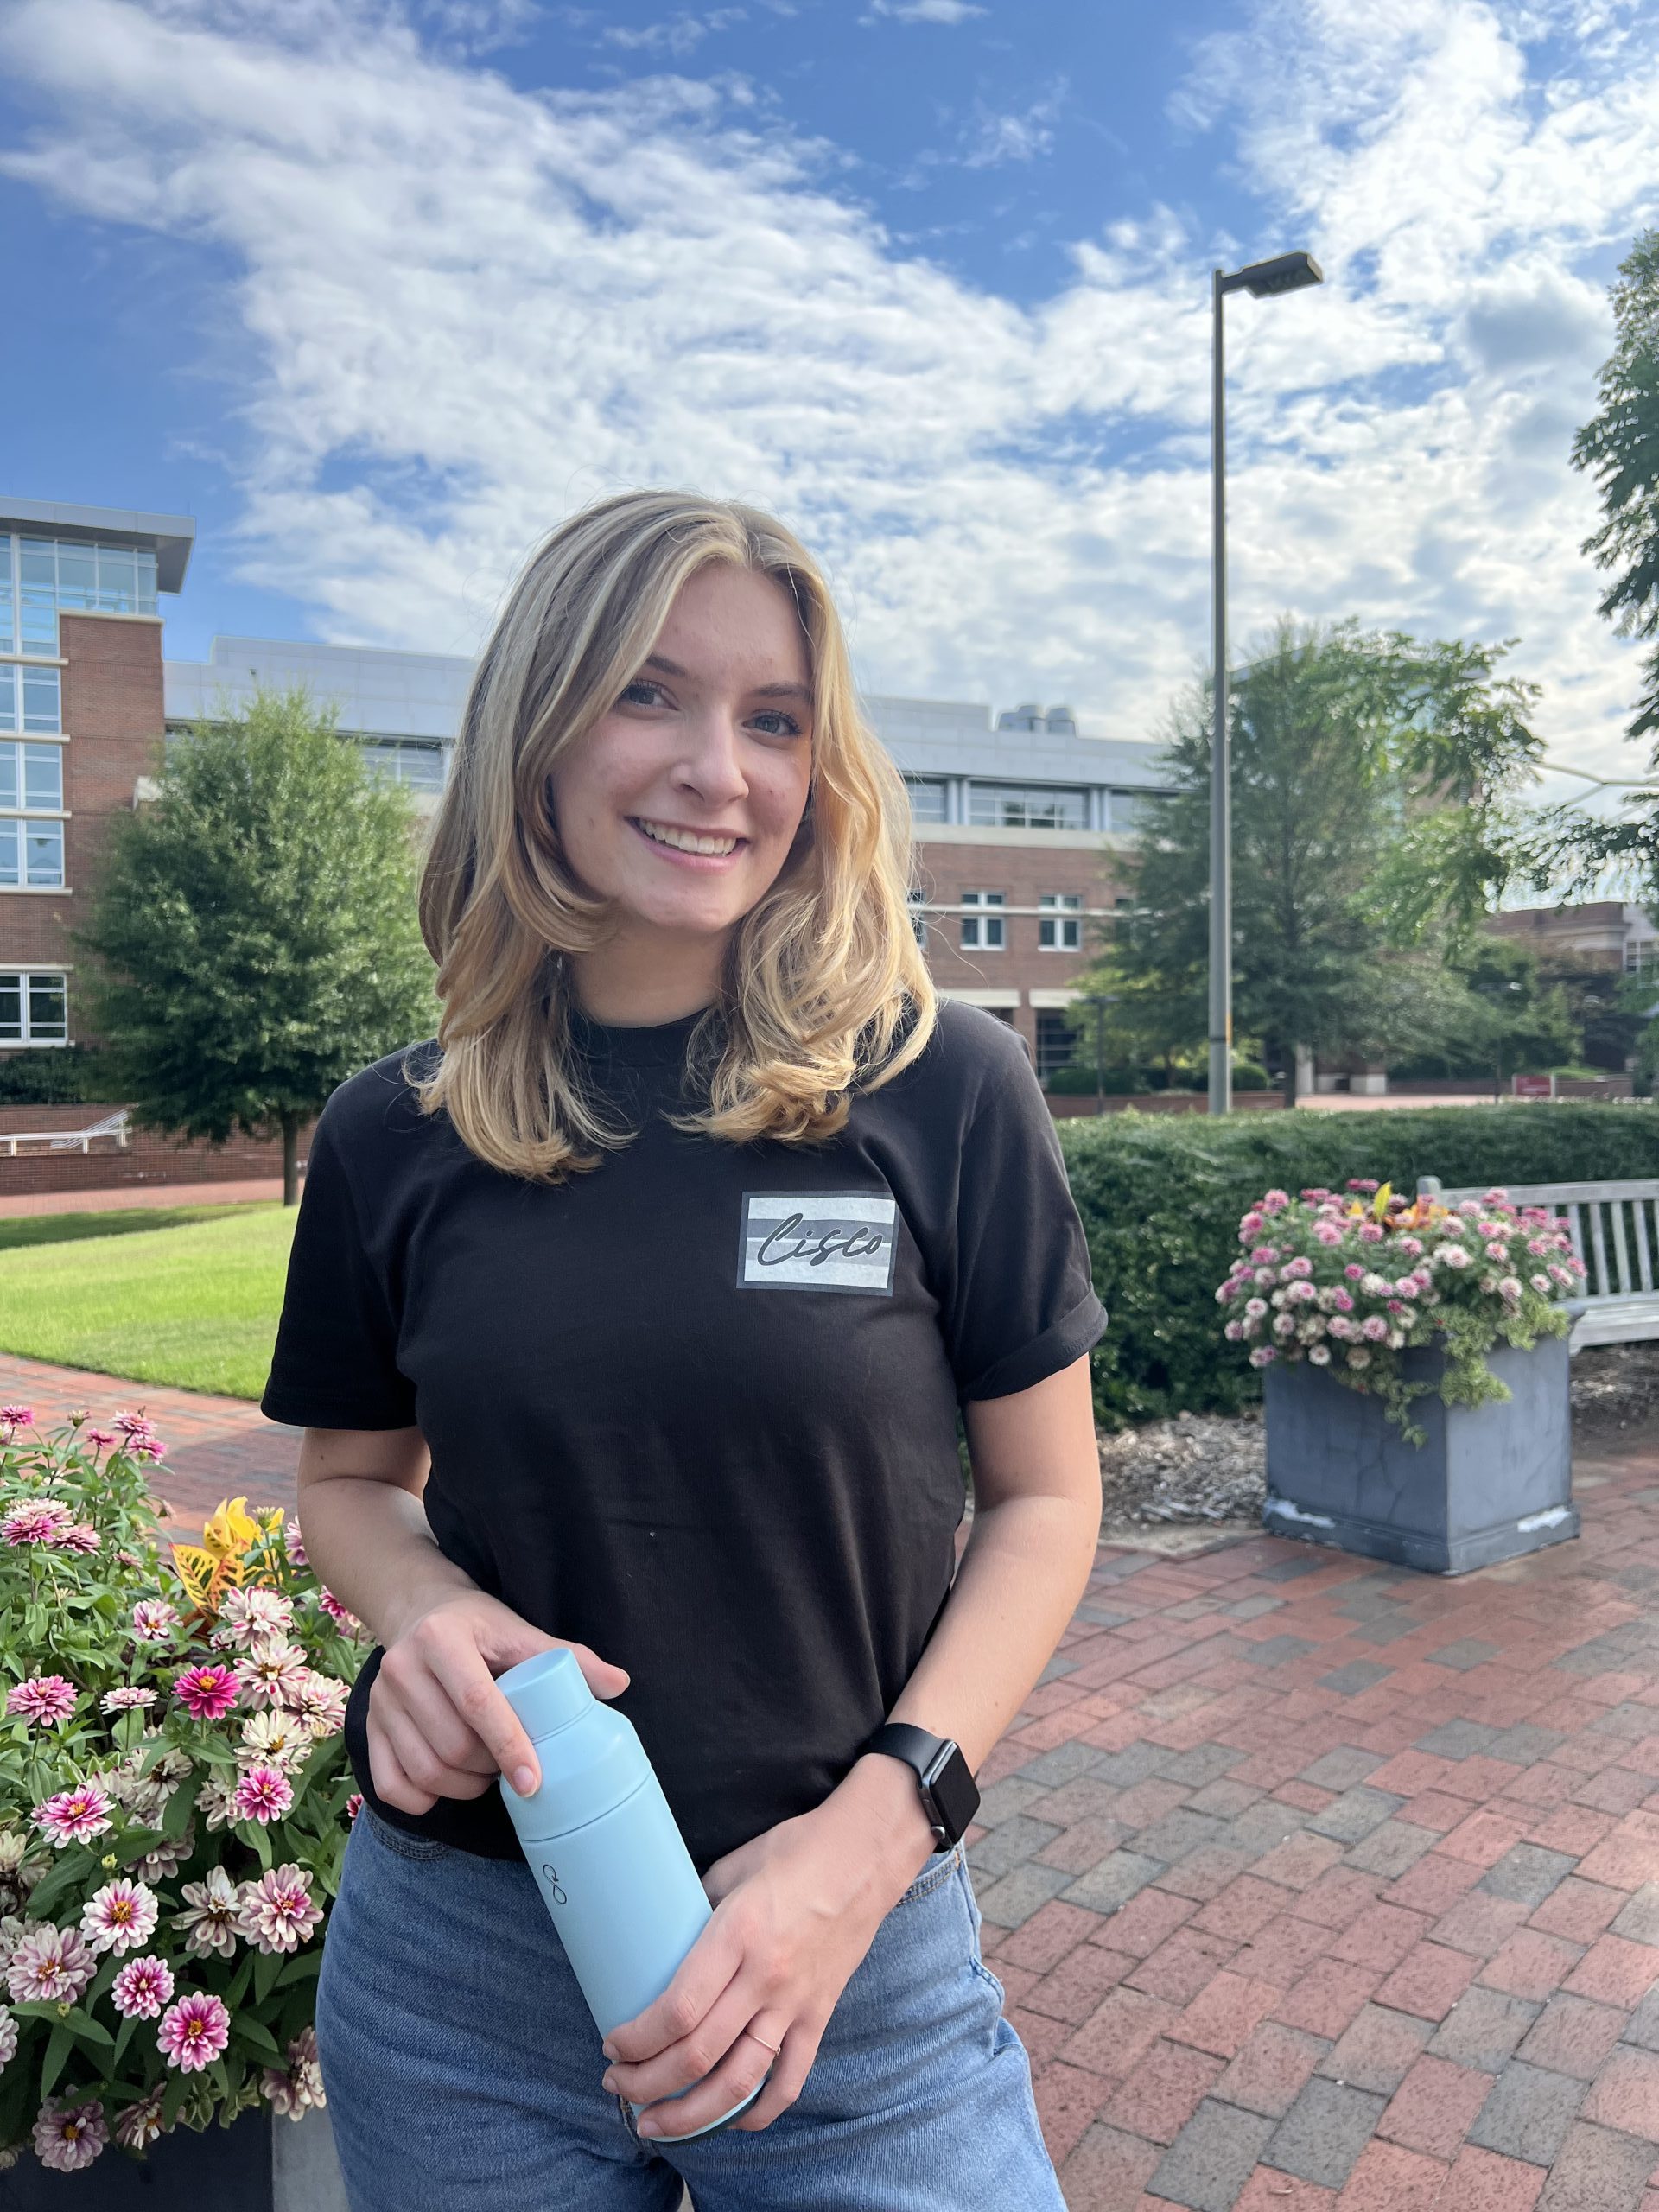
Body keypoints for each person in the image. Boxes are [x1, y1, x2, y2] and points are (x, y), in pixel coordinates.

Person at [262, 489, 1108, 2211]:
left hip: (848, 1963)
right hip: (463, 1987)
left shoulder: (941, 1084)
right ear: (540, 730)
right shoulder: (391, 1131)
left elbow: (1046, 1501)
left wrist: (872, 1843)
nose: (718, 766)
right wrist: (425, 1618)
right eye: (650, 693)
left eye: (774, 718)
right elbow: (349, 1484)